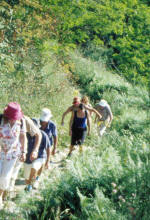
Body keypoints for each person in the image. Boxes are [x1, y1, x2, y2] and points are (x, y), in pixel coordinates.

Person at [0, 102, 27, 208]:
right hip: (0, 152)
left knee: (5, 177)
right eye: (11, 117)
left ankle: (0, 196)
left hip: (13, 154)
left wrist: (24, 152)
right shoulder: (0, 120)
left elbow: (22, 137)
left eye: (15, 117)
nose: (13, 119)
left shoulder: (21, 122)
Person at [9, 115, 42, 193]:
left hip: (18, 152)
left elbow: (38, 134)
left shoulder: (24, 119)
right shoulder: (3, 118)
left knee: (12, 174)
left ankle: (6, 195)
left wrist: (35, 150)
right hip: (4, 151)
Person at [24, 119, 51, 192]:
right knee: (26, 178)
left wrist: (48, 161)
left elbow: (48, 148)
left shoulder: (43, 134)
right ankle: (29, 184)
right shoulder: (25, 134)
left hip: (40, 156)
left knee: (34, 168)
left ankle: (35, 181)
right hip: (27, 159)